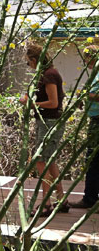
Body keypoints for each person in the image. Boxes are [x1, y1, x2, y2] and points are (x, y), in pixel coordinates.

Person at [20, 44, 69, 218]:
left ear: (34, 60)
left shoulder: (48, 75)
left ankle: (46, 204)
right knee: (50, 160)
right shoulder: (48, 73)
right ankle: (61, 200)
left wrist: (31, 104)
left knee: (41, 161)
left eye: (29, 63)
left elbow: (53, 102)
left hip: (49, 122)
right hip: (47, 121)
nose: (29, 66)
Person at [70, 45, 99, 210]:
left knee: (93, 160)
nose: (84, 61)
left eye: (86, 57)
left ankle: (90, 199)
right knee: (93, 161)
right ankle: (90, 198)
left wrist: (86, 95)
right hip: (94, 118)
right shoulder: (94, 73)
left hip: (98, 121)